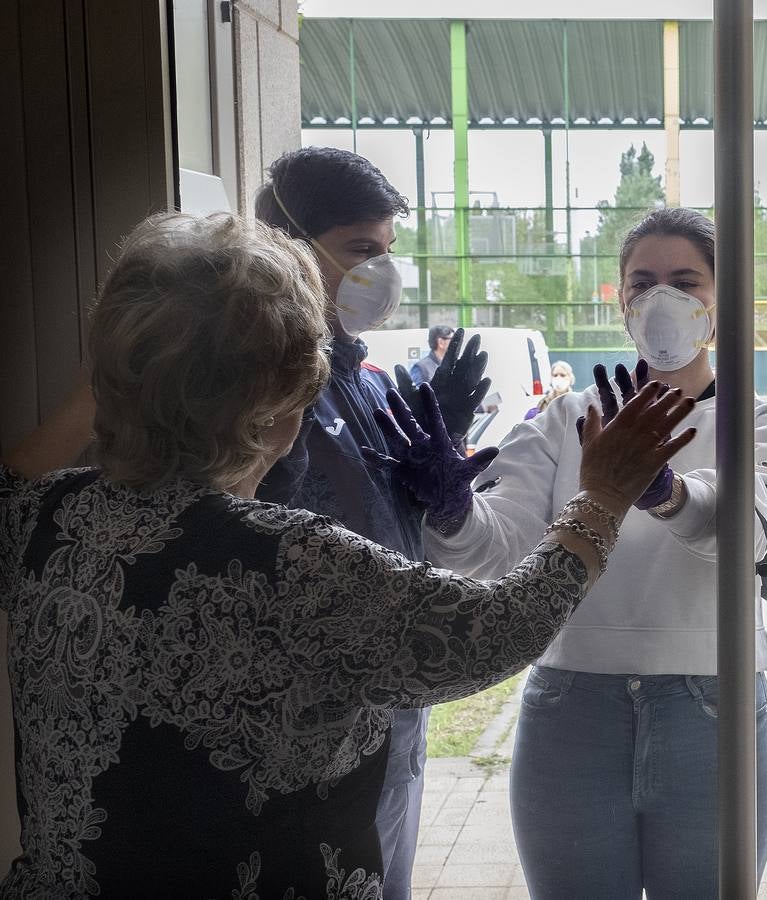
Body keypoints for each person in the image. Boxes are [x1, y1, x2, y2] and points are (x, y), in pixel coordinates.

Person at [0, 211, 694, 896]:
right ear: (283, 399)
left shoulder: (43, 517)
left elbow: (15, 477)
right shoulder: (294, 563)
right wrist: (602, 495)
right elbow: (499, 628)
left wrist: (140, 351)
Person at [395, 207, 767, 897]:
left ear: (719, 300)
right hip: (571, 710)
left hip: (713, 706)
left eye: (685, 280)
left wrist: (667, 493)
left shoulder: (757, 420)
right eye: (642, 280)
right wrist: (448, 510)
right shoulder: (566, 419)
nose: (661, 297)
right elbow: (494, 549)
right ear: (620, 300)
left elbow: (749, 530)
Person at [252, 146, 487, 898]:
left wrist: (434, 466)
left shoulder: (360, 375)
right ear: (287, 245)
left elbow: (382, 522)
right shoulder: (257, 383)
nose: (380, 273)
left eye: (386, 251)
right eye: (359, 251)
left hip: (390, 702)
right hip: (303, 711)